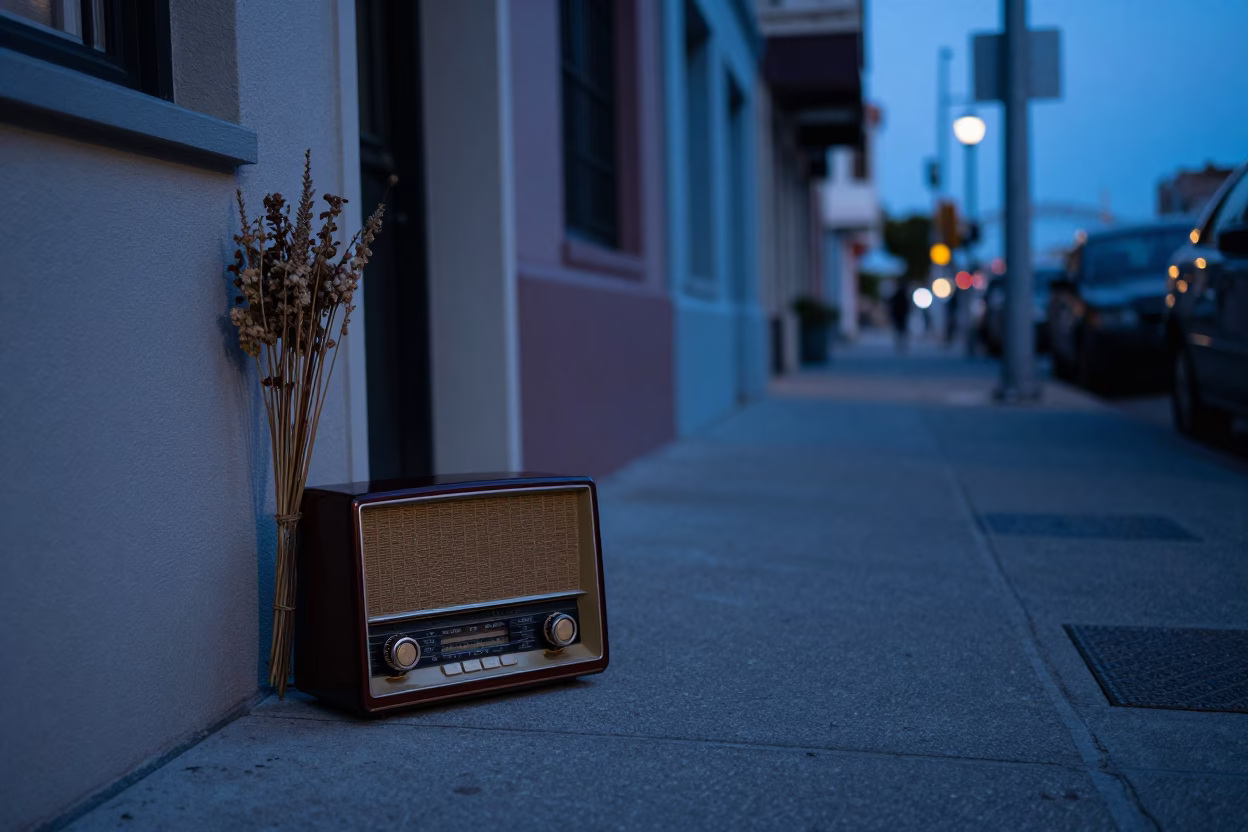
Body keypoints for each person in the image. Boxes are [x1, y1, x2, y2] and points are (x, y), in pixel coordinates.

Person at [889, 280, 911, 352]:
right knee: (903, 330)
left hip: (898, 314)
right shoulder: (904, 294)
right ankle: (902, 344)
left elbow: (891, 303)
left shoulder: (897, 294)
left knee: (898, 330)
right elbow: (908, 305)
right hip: (902, 315)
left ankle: (899, 343)